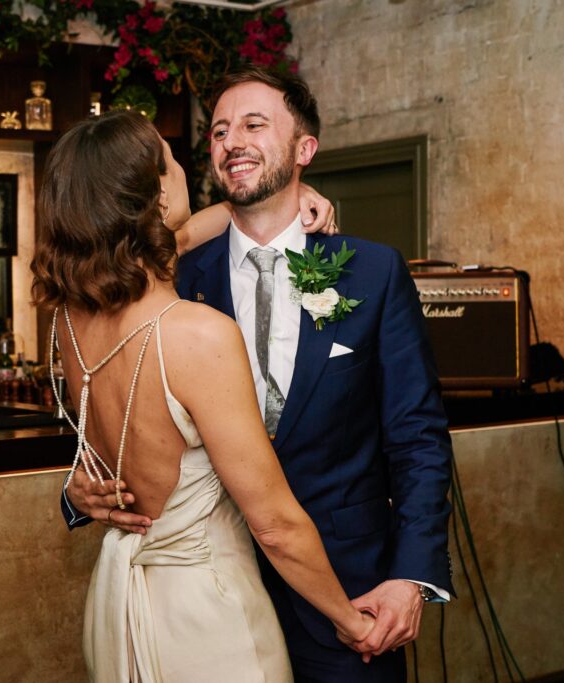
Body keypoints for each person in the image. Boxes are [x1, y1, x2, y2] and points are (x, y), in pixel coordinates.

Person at [65, 66, 455, 682]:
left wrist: (412, 575)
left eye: (253, 124)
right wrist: (80, 489)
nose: (232, 141)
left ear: (305, 149)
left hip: (349, 585)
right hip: (211, 592)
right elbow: (121, 420)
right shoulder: (169, 283)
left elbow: (418, 438)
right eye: (219, 131)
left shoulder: (373, 273)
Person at [34, 110, 374, 682]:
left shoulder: (69, 317)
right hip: (209, 615)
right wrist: (350, 620)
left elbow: (192, 230)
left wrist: (293, 191)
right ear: (158, 193)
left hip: (123, 605)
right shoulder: (197, 333)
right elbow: (274, 524)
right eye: (172, 161)